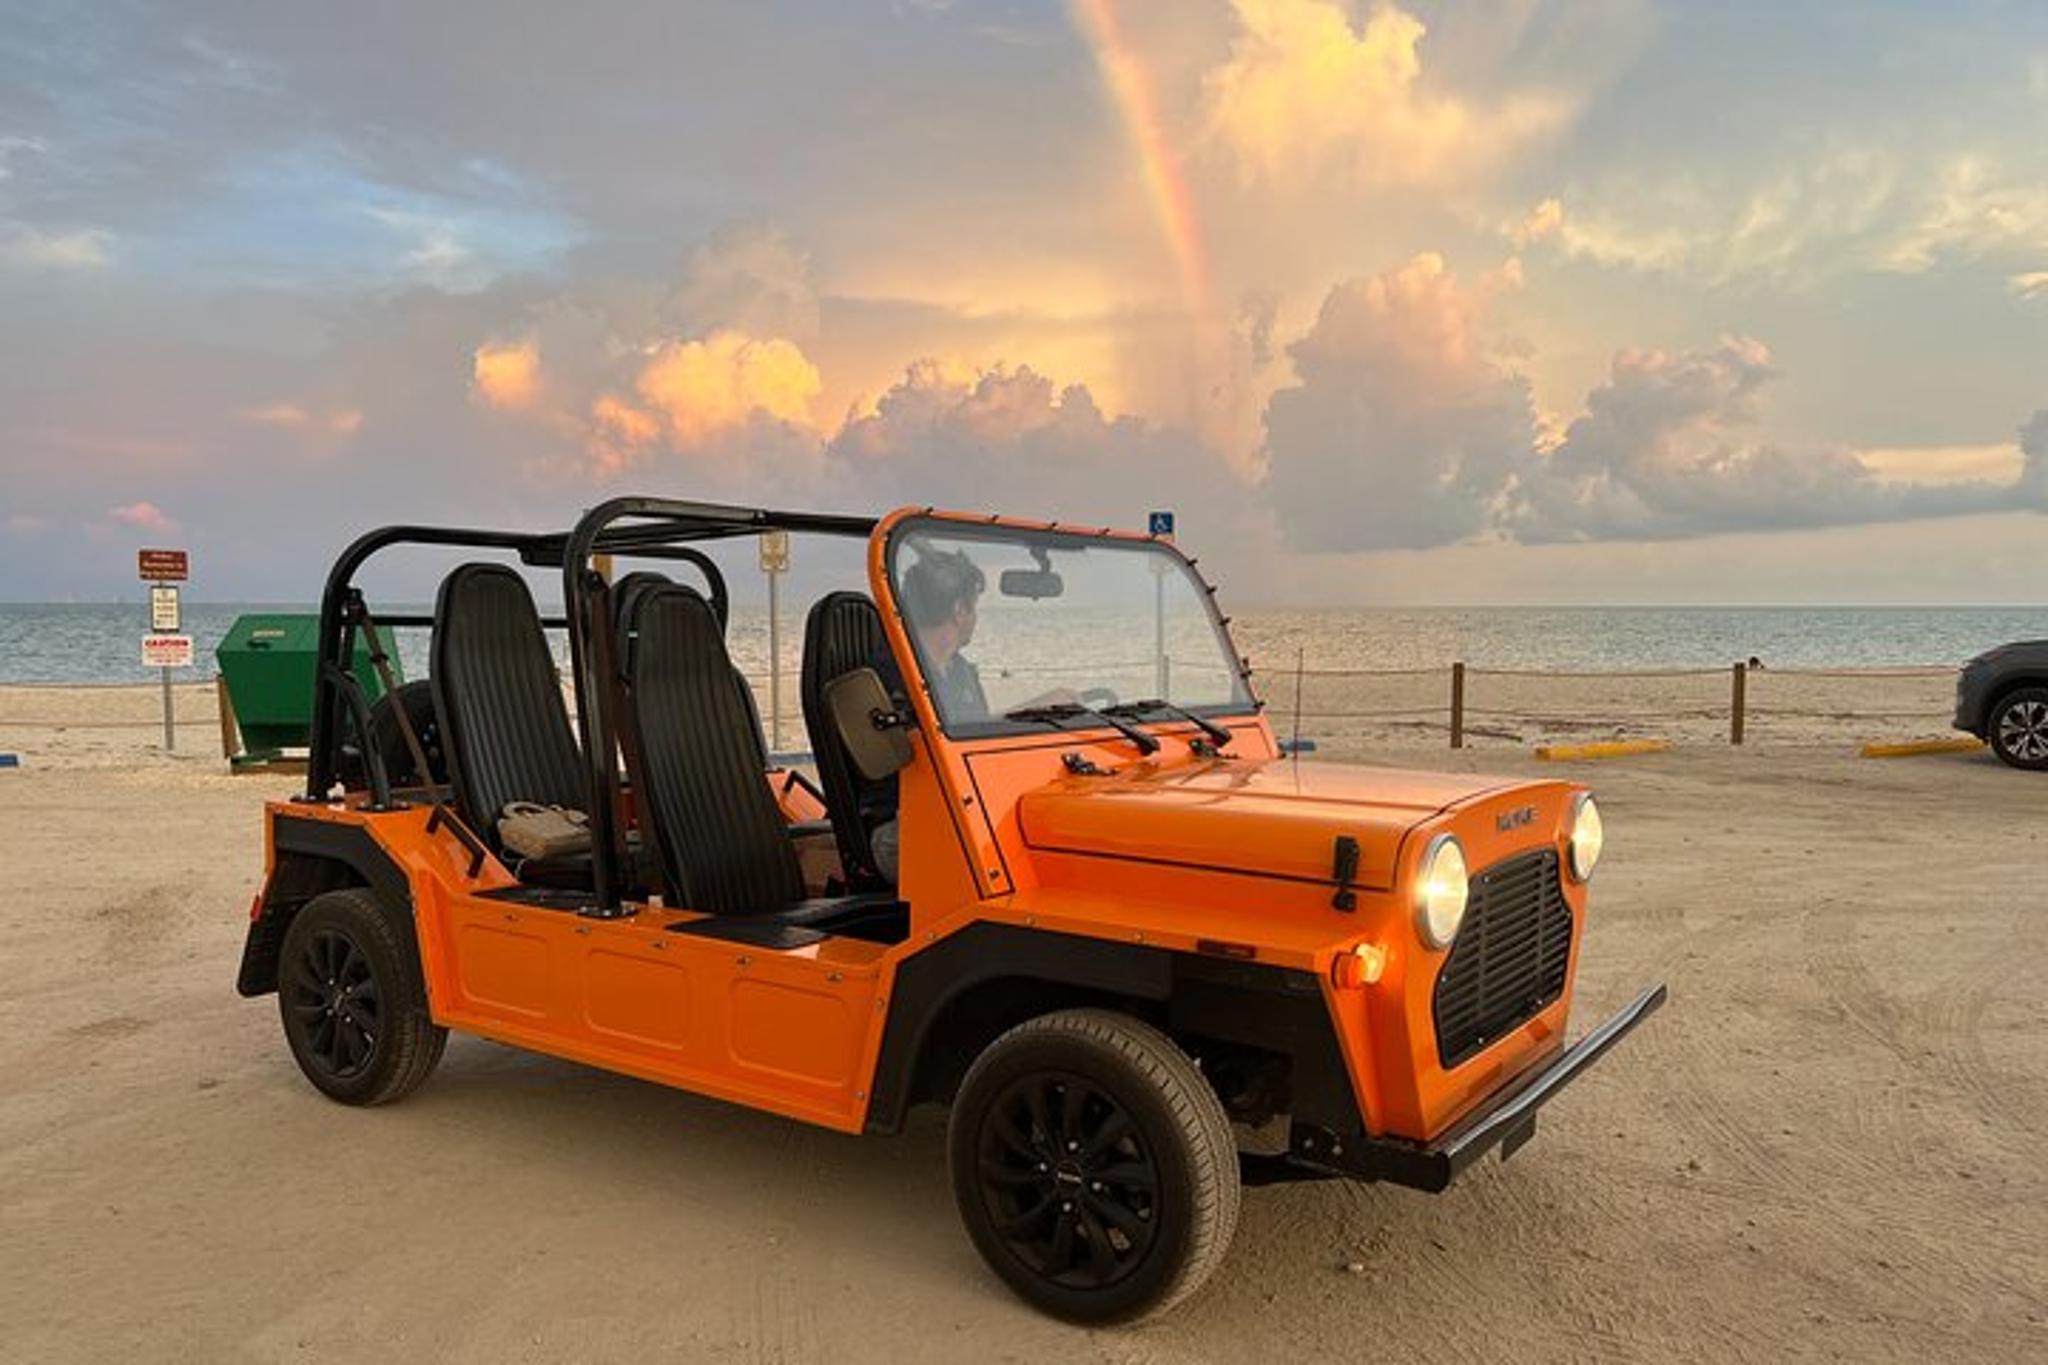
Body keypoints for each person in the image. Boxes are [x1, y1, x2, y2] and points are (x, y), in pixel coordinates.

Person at [865, 547, 987, 882]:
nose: (976, 618)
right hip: (898, 823)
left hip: (955, 808)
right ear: (960, 610)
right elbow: (914, 756)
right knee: (987, 854)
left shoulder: (960, 672)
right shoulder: (885, 677)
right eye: (974, 607)